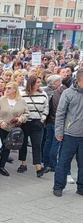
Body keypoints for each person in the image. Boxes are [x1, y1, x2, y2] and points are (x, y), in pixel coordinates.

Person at [53, 69, 83, 197]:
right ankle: (58, 186)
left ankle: (81, 187)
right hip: (69, 134)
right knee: (64, 162)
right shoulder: (68, 93)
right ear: (79, 80)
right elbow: (60, 114)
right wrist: (59, 132)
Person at [0, 82, 29, 176]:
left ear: (15, 90)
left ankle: (1, 166)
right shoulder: (1, 100)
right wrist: (0, 121)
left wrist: (21, 118)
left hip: (13, 129)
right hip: (1, 128)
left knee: (7, 148)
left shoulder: (21, 101)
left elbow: (27, 113)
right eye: (6, 88)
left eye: (9, 88)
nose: (7, 90)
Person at [18, 75, 49, 177]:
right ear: (31, 83)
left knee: (37, 145)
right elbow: (19, 108)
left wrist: (42, 119)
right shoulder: (22, 94)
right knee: (23, 144)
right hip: (25, 122)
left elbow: (46, 108)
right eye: (38, 82)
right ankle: (23, 163)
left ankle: (38, 168)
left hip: (37, 122)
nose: (40, 84)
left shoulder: (43, 94)